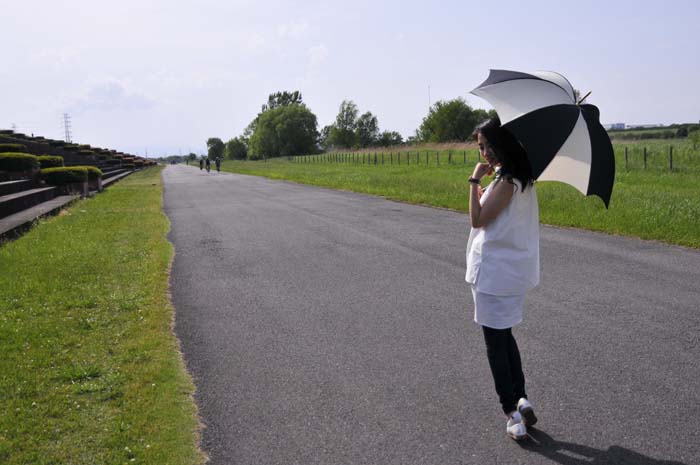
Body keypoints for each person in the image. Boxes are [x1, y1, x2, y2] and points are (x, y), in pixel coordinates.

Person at [465, 117, 539, 441]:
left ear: (498, 145)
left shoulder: (506, 182)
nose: (482, 153)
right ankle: (521, 398)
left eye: (484, 146)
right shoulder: (520, 180)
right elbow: (497, 214)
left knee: (495, 345)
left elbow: (477, 218)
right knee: (505, 337)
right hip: (510, 273)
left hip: (494, 274)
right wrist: (486, 188)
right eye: (480, 147)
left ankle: (510, 410)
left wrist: (472, 181)